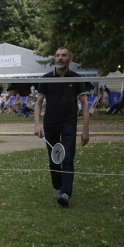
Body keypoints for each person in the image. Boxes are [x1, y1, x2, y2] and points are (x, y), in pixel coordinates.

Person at [33, 47, 92, 208]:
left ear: (70, 59)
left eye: (63, 55)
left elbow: (85, 104)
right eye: (58, 55)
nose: (60, 58)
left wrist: (86, 130)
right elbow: (38, 103)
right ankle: (58, 188)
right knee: (54, 159)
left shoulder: (77, 79)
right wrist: (37, 124)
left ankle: (66, 192)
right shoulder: (46, 78)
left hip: (69, 123)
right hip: (50, 124)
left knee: (67, 158)